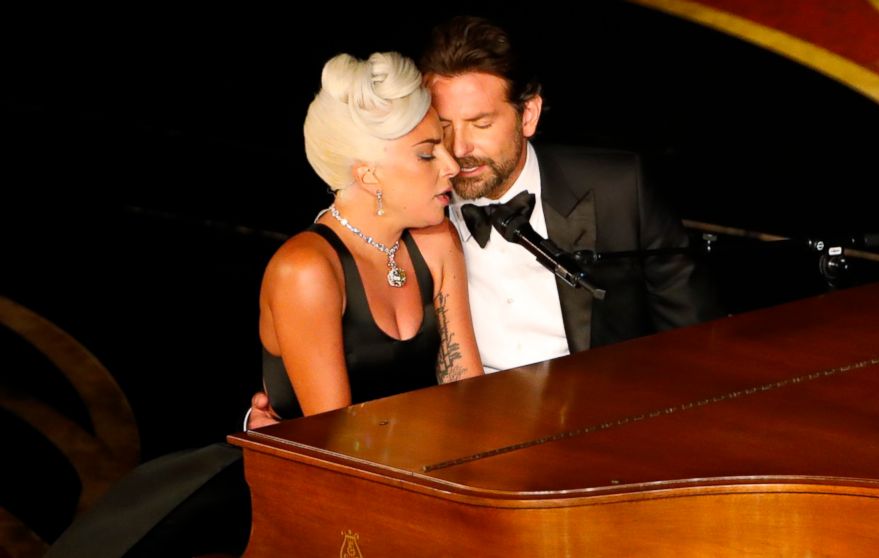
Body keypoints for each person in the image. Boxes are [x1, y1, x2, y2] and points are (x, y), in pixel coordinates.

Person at [47, 51, 482, 557]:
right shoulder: (307, 270)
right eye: (427, 154)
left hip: (419, 485)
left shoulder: (437, 242)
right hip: (317, 503)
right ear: (368, 175)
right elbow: (342, 448)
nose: (451, 165)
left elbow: (470, 398)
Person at [246, 15, 720, 424]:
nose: (457, 152)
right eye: (441, 131)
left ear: (528, 115)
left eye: (481, 123)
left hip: (597, 433)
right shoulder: (414, 219)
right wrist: (281, 425)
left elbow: (698, 346)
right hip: (454, 446)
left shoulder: (618, 188)